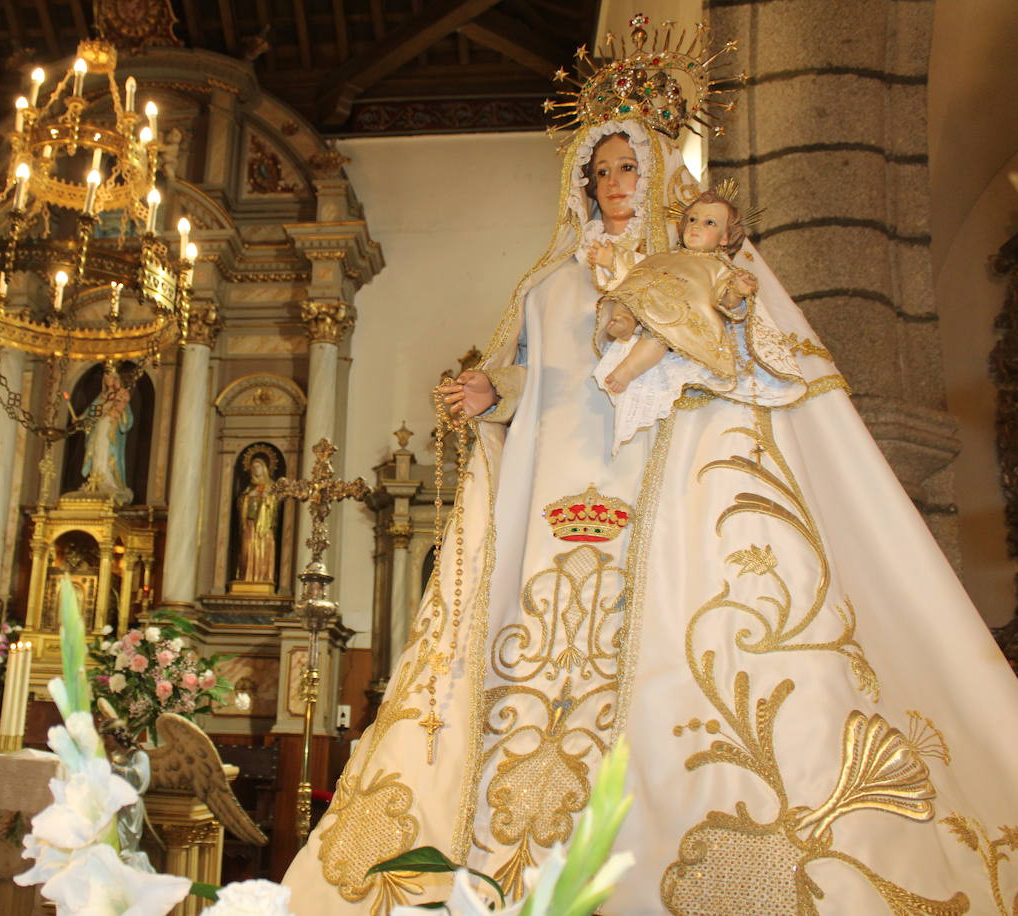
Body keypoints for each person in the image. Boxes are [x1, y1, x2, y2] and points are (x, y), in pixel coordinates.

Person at [284, 17, 1018, 915]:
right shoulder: (550, 283)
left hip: (665, 491)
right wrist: (491, 395)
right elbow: (538, 376)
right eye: (599, 170)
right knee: (534, 666)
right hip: (562, 495)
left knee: (678, 651)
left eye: (628, 167)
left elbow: (761, 363)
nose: (613, 184)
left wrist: (714, 322)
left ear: (661, 171)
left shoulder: (702, 263)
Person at [590, 187, 804, 453]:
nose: (696, 227)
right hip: (646, 300)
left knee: (658, 336)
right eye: (692, 219)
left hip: (678, 319)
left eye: (709, 223)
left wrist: (738, 289)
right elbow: (635, 266)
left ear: (725, 238)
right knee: (625, 296)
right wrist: (610, 257)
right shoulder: (666, 256)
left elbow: (727, 302)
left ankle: (629, 369)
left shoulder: (719, 267)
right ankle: (624, 322)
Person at [78, 370, 134, 503]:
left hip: (111, 430)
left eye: (114, 376)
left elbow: (128, 420)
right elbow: (90, 414)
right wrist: (81, 419)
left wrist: (119, 414)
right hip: (99, 429)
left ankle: (109, 482)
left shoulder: (121, 396)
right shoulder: (101, 397)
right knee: (97, 452)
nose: (111, 379)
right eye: (108, 376)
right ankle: (96, 481)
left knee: (109, 454)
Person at [236, 455, 279, 585]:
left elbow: (275, 505)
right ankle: (247, 576)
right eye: (253, 467)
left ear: (265, 469)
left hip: (264, 526)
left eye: (258, 467)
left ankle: (264, 577)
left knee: (264, 549)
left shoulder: (271, 486)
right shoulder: (249, 488)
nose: (256, 470)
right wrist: (249, 497)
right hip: (250, 524)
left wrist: (267, 498)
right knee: (247, 549)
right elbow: (240, 503)